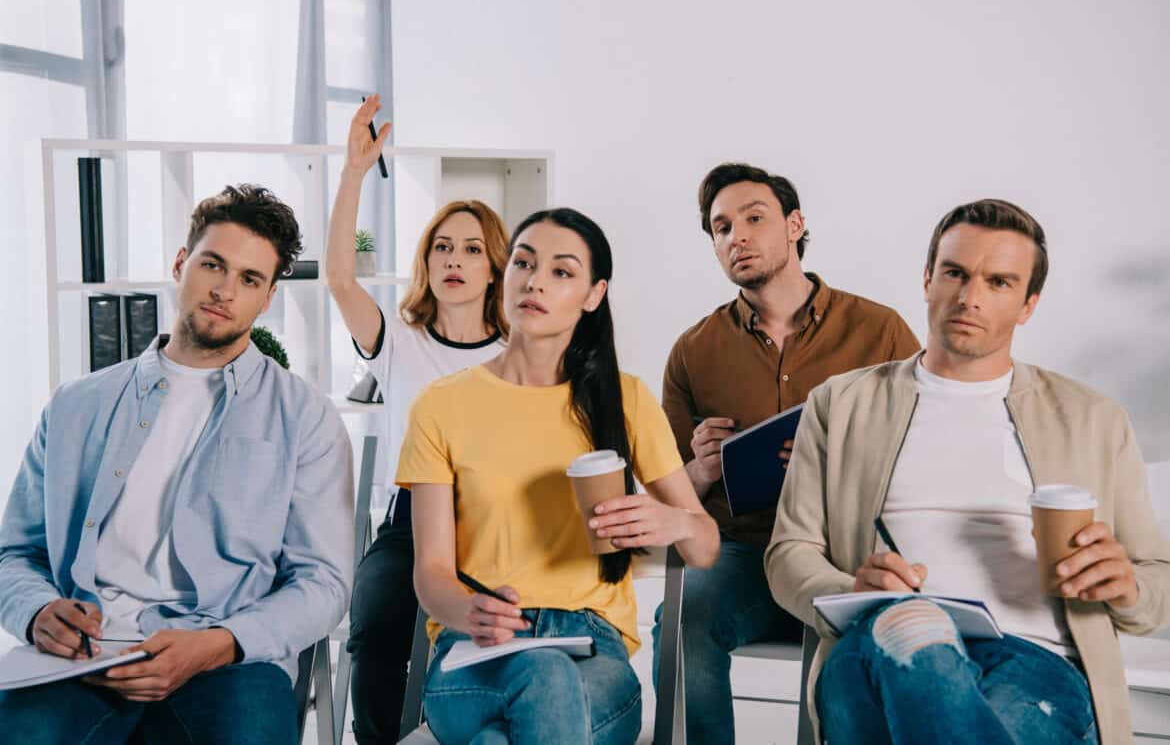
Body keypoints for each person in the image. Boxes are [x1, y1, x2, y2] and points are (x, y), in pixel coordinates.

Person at [765, 199, 1170, 744]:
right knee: (910, 637)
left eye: (999, 282)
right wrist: (850, 586)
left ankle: (922, 639)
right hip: (875, 642)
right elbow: (788, 554)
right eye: (955, 273)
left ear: (1028, 305)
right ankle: (919, 634)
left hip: (1034, 658)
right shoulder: (840, 404)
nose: (969, 297)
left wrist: (1125, 586)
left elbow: (1157, 582)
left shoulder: (1093, 419)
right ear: (928, 279)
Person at [0, 184, 354, 744]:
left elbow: (323, 581)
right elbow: (14, 553)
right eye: (213, 264)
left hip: (226, 656)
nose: (223, 290)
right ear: (181, 263)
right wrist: (36, 611)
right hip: (80, 657)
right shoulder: (75, 406)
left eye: (249, 279)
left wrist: (223, 642)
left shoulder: (305, 416)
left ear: (266, 300)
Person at [398, 207, 721, 744]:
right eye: (523, 263)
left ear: (594, 295)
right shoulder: (440, 406)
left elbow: (706, 546)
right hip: (477, 647)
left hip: (592, 649)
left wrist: (674, 522)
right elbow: (431, 570)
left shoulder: (627, 400)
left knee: (503, 734)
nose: (534, 281)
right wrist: (468, 609)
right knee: (541, 678)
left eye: (562, 272)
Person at [654, 162, 920, 741]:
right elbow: (667, 495)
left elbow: (925, 456)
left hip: (847, 551)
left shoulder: (881, 332)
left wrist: (835, 455)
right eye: (721, 228)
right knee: (682, 611)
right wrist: (700, 470)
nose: (737, 237)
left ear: (795, 225)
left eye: (754, 218)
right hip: (743, 557)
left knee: (888, 628)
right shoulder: (694, 351)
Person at [325, 95, 510, 744]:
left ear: (494, 268)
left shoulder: (522, 351)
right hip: (409, 527)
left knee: (494, 644)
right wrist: (353, 172)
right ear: (426, 264)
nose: (454, 260)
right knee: (374, 630)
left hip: (495, 530)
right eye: (441, 248)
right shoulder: (399, 340)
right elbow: (341, 280)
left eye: (471, 250)